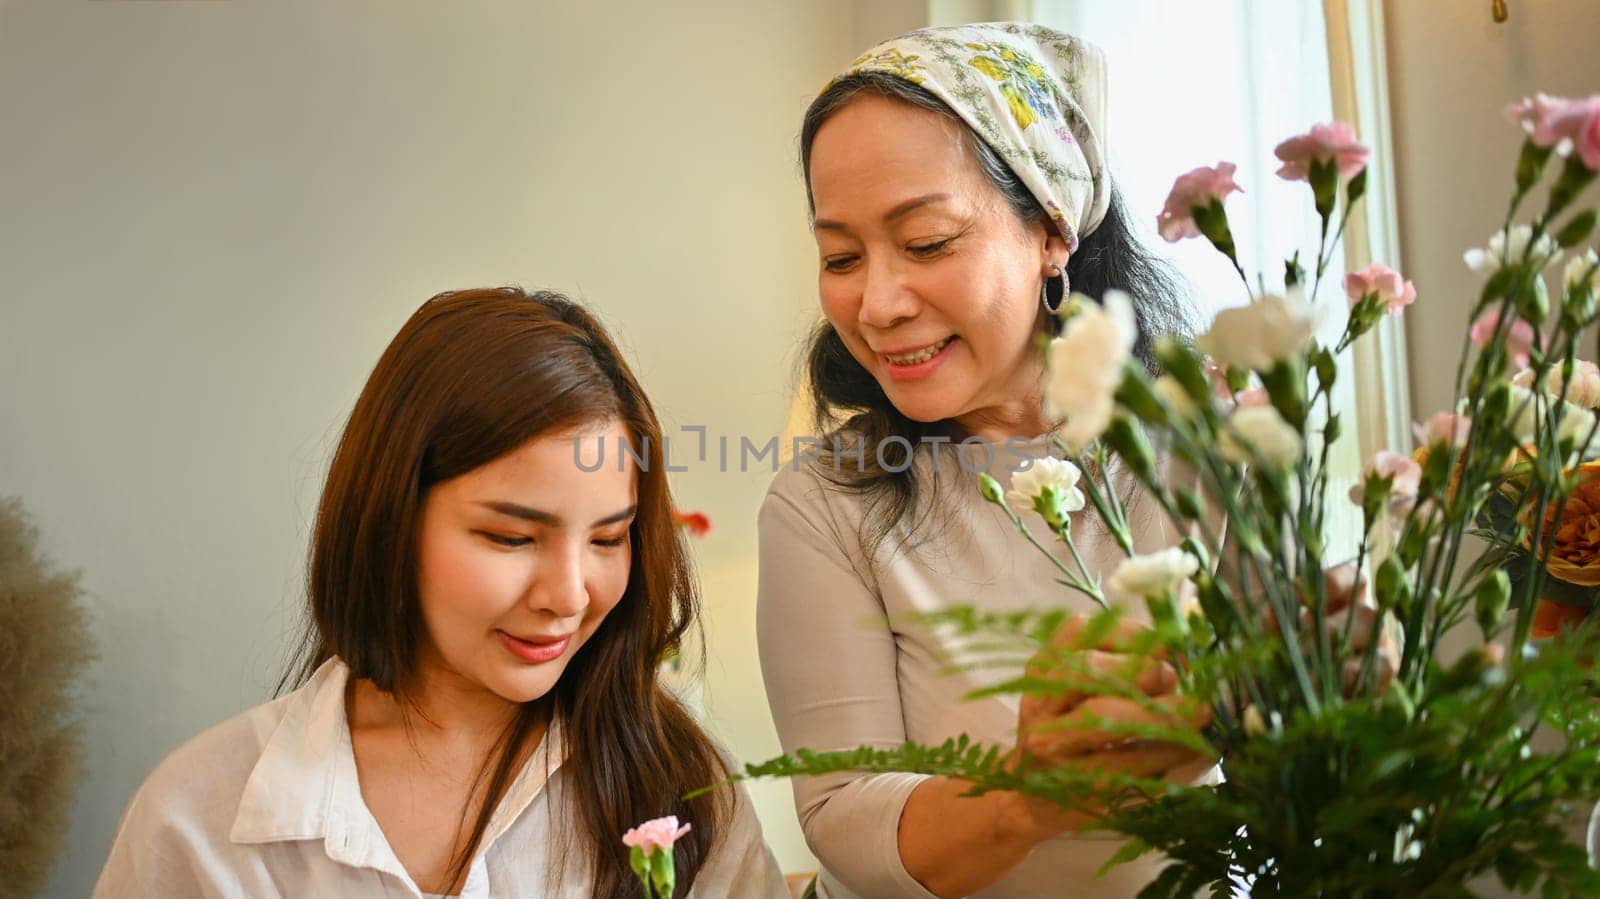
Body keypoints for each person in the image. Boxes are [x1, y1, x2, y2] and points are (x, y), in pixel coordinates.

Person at [95, 287, 788, 898]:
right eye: (512, 538)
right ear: (393, 518)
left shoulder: (679, 788)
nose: (569, 594)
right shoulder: (197, 816)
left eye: (608, 539)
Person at [756, 23, 1211, 899]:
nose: (878, 304)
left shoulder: (1204, 447)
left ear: (1050, 227)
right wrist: (1030, 797)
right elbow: (844, 812)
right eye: (841, 256)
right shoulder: (826, 501)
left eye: (925, 242)